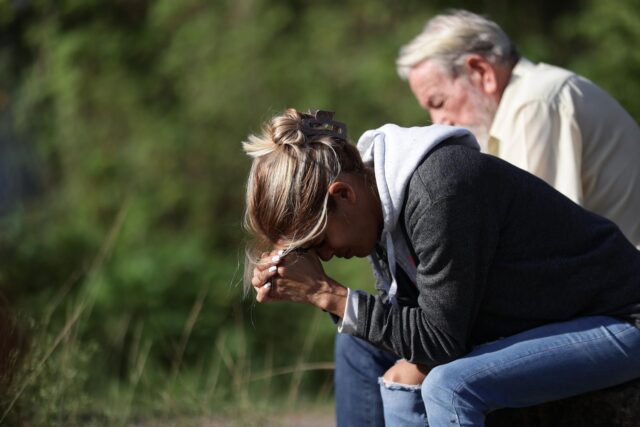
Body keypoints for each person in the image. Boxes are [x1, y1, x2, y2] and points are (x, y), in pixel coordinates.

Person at [243, 108, 640, 426]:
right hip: (536, 319)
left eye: (319, 241)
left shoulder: (439, 192)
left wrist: (325, 292)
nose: (326, 256)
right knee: (357, 346)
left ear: (343, 195)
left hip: (618, 319)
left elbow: (439, 341)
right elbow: (409, 317)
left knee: (449, 387)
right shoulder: (378, 201)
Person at [396, 9, 640, 249]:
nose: (439, 122)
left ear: (481, 72)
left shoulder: (534, 103)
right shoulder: (526, 101)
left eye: (439, 102)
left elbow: (540, 237)